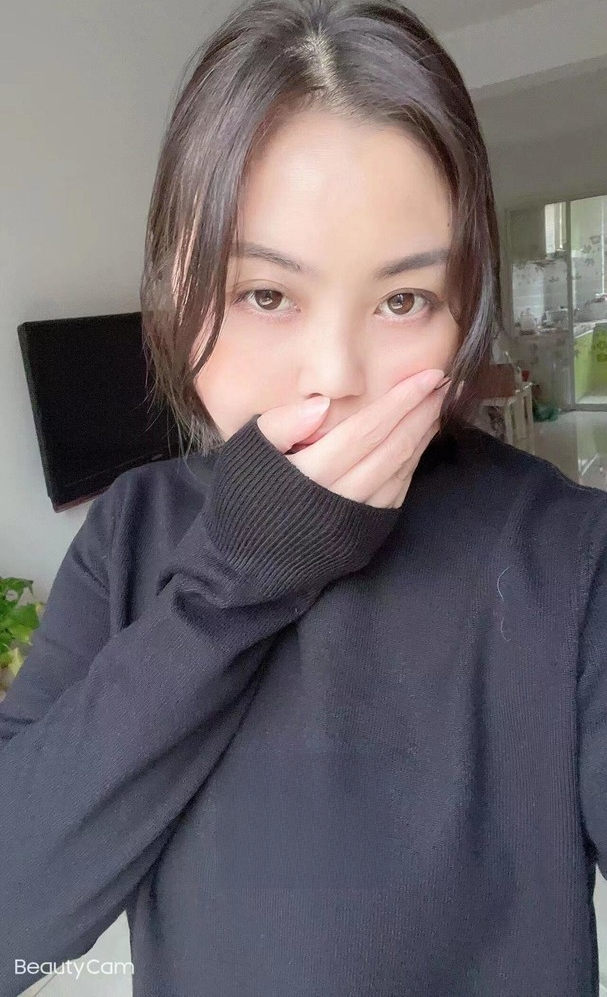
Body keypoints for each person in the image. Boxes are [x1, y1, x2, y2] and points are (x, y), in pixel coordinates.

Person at [2, 1, 607, 995]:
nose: (335, 375)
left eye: (403, 299)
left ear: (463, 305)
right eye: (266, 295)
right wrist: (237, 575)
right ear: (178, 288)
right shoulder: (132, 531)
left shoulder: (569, 553)